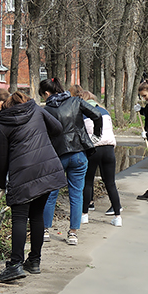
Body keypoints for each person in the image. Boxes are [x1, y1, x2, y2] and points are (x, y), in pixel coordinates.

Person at [0, 89, 67, 283]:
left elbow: (2, 159)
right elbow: (57, 128)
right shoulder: (36, 110)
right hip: (48, 169)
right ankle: (34, 261)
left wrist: (1, 183)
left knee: (20, 218)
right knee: (37, 216)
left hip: (23, 175)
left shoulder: (2, 125)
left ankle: (15, 265)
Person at [39, 78, 103, 246]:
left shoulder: (47, 110)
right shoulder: (75, 101)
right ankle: (73, 233)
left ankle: (44, 230)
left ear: (47, 93)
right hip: (78, 153)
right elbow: (97, 114)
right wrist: (96, 135)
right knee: (76, 194)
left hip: (57, 155)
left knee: (51, 193)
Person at [79, 90, 123, 227]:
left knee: (88, 182)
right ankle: (117, 216)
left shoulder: (82, 112)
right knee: (110, 183)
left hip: (94, 149)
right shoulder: (104, 111)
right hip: (109, 148)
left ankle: (84, 215)